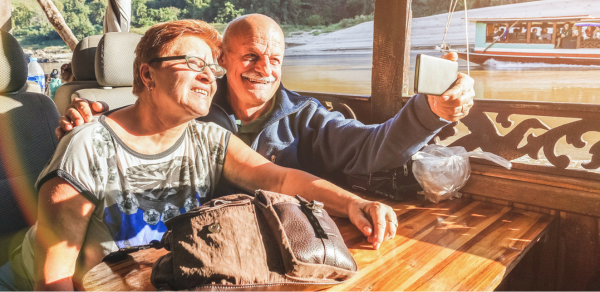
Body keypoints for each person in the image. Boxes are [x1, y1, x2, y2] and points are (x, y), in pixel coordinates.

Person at [0, 20, 397, 291]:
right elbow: (53, 280)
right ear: (147, 75)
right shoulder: (88, 146)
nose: (208, 75)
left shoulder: (207, 138)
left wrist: (354, 202)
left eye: (212, 67)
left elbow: (278, 178)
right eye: (192, 63)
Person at [58, 14, 475, 195]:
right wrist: (96, 122)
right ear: (222, 61)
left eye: (275, 58)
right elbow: (142, 130)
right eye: (251, 56)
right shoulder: (190, 110)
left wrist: (431, 110)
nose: (264, 68)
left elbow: (370, 147)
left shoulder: (306, 116)